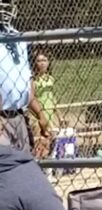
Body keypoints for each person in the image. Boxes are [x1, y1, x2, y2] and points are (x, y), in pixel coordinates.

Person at [0, 0, 51, 154]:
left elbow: (27, 90)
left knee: (23, 166)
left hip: (19, 116)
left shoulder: (19, 39)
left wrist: (41, 116)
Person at [31, 51, 59, 159]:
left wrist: (59, 116)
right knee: (40, 143)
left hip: (50, 112)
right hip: (39, 114)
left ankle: (49, 169)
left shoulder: (50, 79)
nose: (42, 63)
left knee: (51, 142)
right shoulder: (33, 80)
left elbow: (53, 98)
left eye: (44, 60)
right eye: (39, 61)